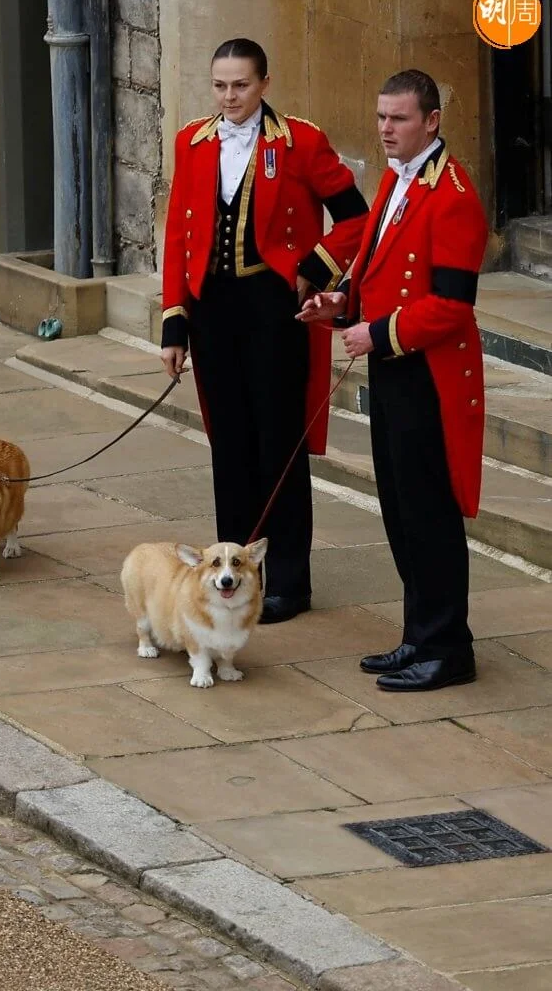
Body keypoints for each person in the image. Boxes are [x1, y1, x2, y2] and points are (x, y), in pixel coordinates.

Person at [160, 38, 368, 624]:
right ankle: (234, 577)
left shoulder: (301, 141)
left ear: (265, 84)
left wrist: (314, 269)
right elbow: (178, 235)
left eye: (241, 85)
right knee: (229, 445)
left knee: (279, 446)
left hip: (276, 310)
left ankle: (290, 584)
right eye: (220, 85)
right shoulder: (191, 142)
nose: (230, 97)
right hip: (214, 312)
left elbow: (356, 216)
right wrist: (174, 323)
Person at [299, 69, 488, 690]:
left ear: (431, 121)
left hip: (429, 376)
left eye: (399, 118)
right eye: (381, 117)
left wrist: (377, 334)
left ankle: (447, 649)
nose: (386, 129)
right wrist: (340, 306)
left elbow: (453, 305)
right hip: (395, 369)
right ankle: (418, 636)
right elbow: (377, 272)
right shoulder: (394, 179)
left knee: (429, 512)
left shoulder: (453, 194)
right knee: (401, 510)